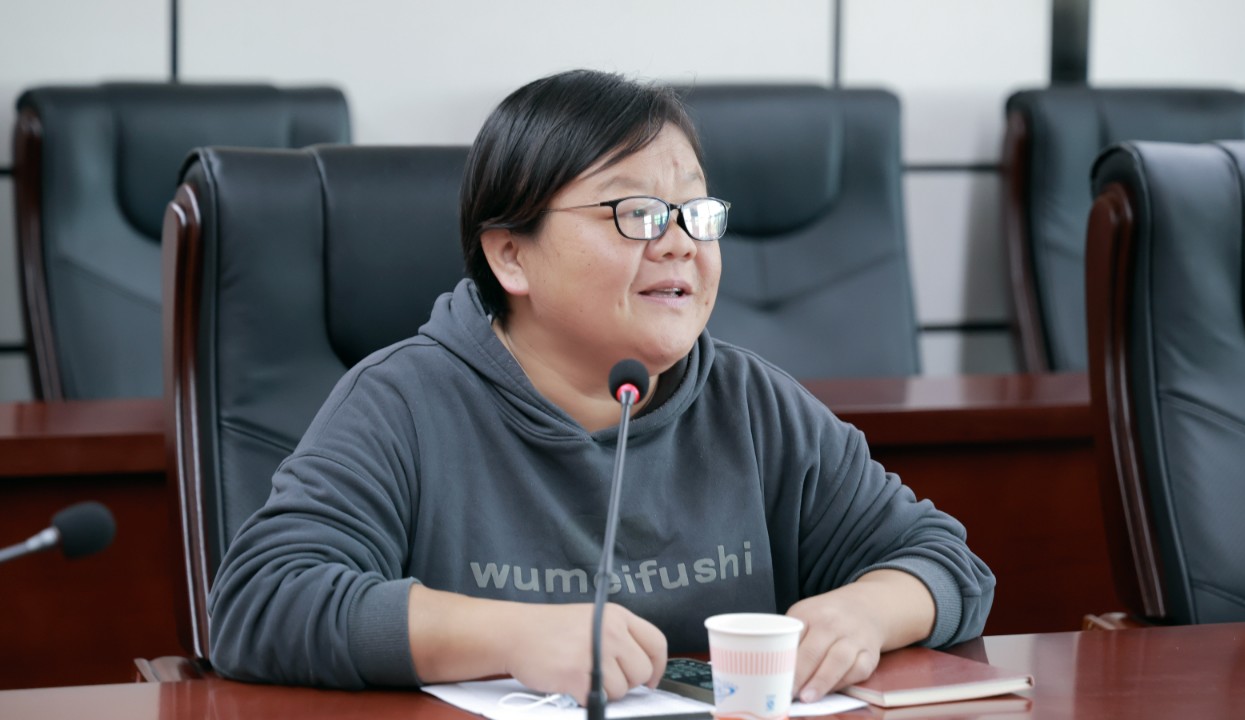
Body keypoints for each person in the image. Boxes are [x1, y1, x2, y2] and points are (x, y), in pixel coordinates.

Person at [208, 69, 995, 702]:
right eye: (638, 212)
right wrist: (513, 636)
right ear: (511, 256)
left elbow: (943, 561)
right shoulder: (403, 402)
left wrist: (865, 611)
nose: (680, 243)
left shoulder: (750, 403)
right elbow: (261, 600)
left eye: (695, 212)